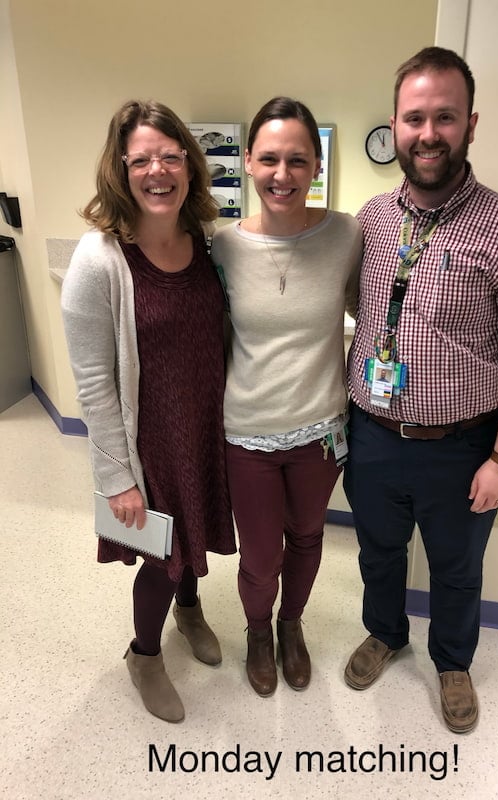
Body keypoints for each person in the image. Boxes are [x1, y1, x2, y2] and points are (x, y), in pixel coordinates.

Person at [343, 47, 498, 733]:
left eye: (444, 116)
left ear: (470, 124)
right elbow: (355, 309)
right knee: (376, 551)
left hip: (462, 449)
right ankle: (386, 631)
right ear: (395, 125)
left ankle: (453, 660)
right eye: (414, 118)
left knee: (458, 568)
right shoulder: (373, 218)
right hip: (372, 435)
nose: (428, 132)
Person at [61, 100, 236, 723]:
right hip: (147, 443)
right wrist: (116, 479)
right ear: (121, 170)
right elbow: (92, 383)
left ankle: (191, 611)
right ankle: (145, 655)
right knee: (165, 557)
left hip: (203, 431)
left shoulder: (207, 243)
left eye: (170, 155)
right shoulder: (99, 259)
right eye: (141, 159)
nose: (157, 170)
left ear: (189, 163)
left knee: (195, 539)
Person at [211, 97, 362, 696]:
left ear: (316, 165)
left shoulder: (345, 234)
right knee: (259, 554)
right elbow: (213, 338)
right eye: (269, 158)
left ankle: (291, 627)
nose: (282, 174)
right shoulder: (221, 247)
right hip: (246, 431)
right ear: (247, 161)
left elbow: (371, 315)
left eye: (298, 160)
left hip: (321, 429)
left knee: (307, 536)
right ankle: (256, 630)